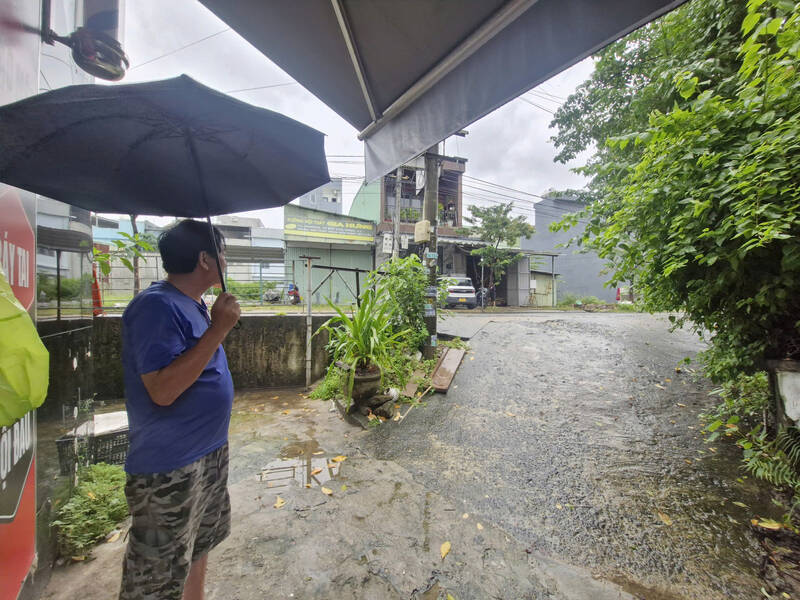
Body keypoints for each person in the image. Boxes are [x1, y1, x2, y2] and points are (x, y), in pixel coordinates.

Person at [118, 219, 240, 600]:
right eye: (221, 252)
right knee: (156, 577)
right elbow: (164, 390)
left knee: (199, 544)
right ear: (204, 259)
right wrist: (218, 330)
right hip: (170, 467)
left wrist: (214, 323)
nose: (225, 259)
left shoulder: (194, 305)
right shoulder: (155, 307)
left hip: (208, 453)